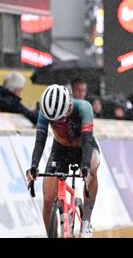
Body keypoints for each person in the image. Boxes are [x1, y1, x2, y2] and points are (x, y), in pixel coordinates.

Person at [25, 84, 100, 238]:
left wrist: (85, 167)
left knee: (92, 168)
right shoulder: (45, 112)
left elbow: (87, 141)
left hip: (83, 147)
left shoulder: (84, 108)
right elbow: (40, 141)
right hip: (60, 149)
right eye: (55, 120)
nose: (59, 121)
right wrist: (34, 166)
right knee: (47, 199)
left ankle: (86, 221)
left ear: (69, 104)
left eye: (62, 118)